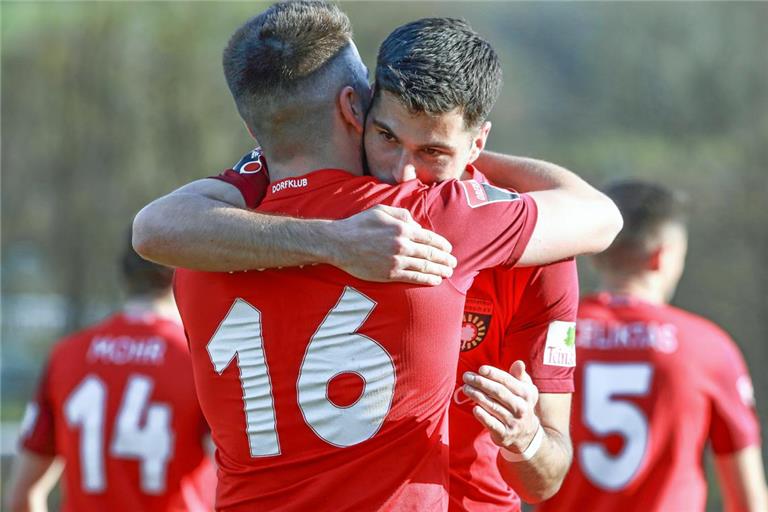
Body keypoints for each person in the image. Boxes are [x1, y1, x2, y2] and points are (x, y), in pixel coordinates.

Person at [140, 2, 622, 510]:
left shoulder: (536, 254)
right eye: (386, 136)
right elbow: (601, 216)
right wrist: (337, 240)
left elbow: (545, 479)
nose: (403, 174)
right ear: (358, 110)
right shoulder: (431, 215)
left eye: (432, 152)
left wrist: (524, 439)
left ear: (477, 143)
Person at [539, 180, 768, 512]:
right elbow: (748, 501)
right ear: (662, 256)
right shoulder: (708, 347)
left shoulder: (554, 336)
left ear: (595, 254)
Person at [5, 233, 215, 512]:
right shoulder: (196, 359)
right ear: (184, 275)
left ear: (124, 274)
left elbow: (22, 496)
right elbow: (235, 474)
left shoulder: (66, 355)